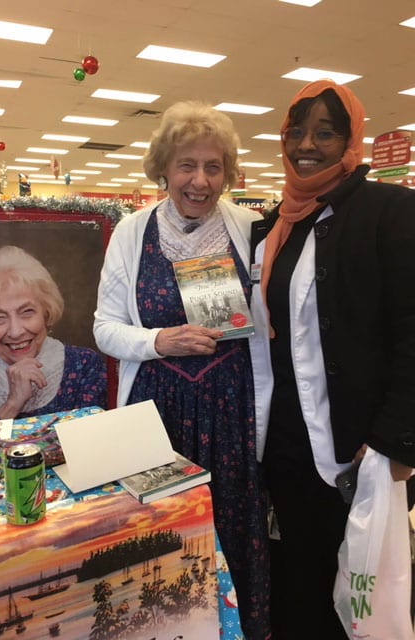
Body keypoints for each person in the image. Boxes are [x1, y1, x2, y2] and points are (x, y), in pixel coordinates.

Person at [94, 101, 270, 639]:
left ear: (228, 173)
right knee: (163, 535)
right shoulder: (131, 231)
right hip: (158, 412)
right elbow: (103, 326)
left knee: (232, 525)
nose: (199, 180)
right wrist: (157, 341)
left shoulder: (252, 229)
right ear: (164, 169)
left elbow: (268, 327)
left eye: (213, 167)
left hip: (232, 410)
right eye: (186, 165)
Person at [249, 79, 415, 639]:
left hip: (358, 444)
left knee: (360, 594)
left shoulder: (389, 212)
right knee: (299, 581)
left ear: (351, 141)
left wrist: (397, 439)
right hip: (288, 446)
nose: (307, 145)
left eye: (325, 132)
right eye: (297, 132)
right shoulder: (276, 225)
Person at [0, 245, 107, 422]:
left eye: (27, 312)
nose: (16, 331)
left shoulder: (84, 366)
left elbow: (92, 445)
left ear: (46, 311)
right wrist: (12, 404)